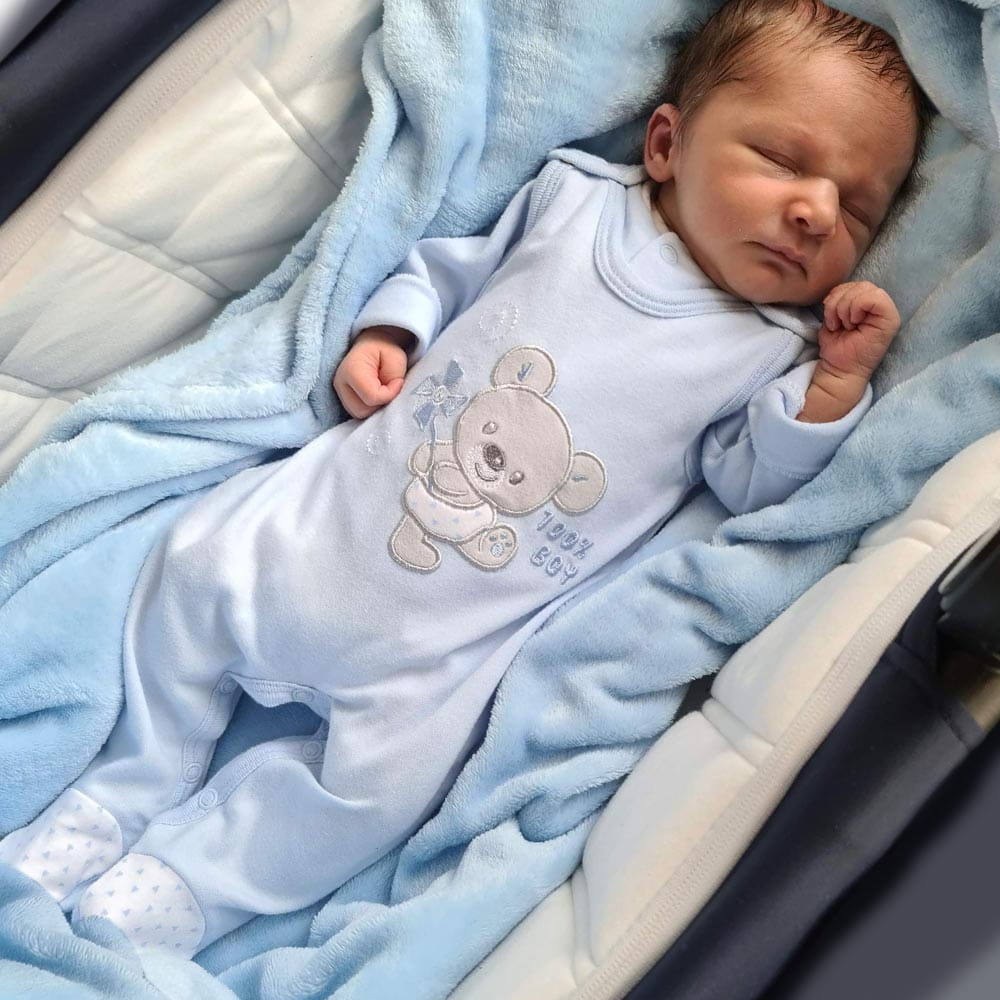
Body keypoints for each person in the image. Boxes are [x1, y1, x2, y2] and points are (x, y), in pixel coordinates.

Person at [0, 0, 933, 958]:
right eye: (781, 159)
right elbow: (444, 268)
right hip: (309, 532)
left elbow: (752, 490)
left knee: (381, 796)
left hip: (437, 658)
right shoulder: (571, 202)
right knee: (186, 577)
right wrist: (389, 330)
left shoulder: (765, 355)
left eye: (857, 209)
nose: (816, 211)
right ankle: (119, 794)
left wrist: (831, 391)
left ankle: (184, 886)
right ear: (666, 144)